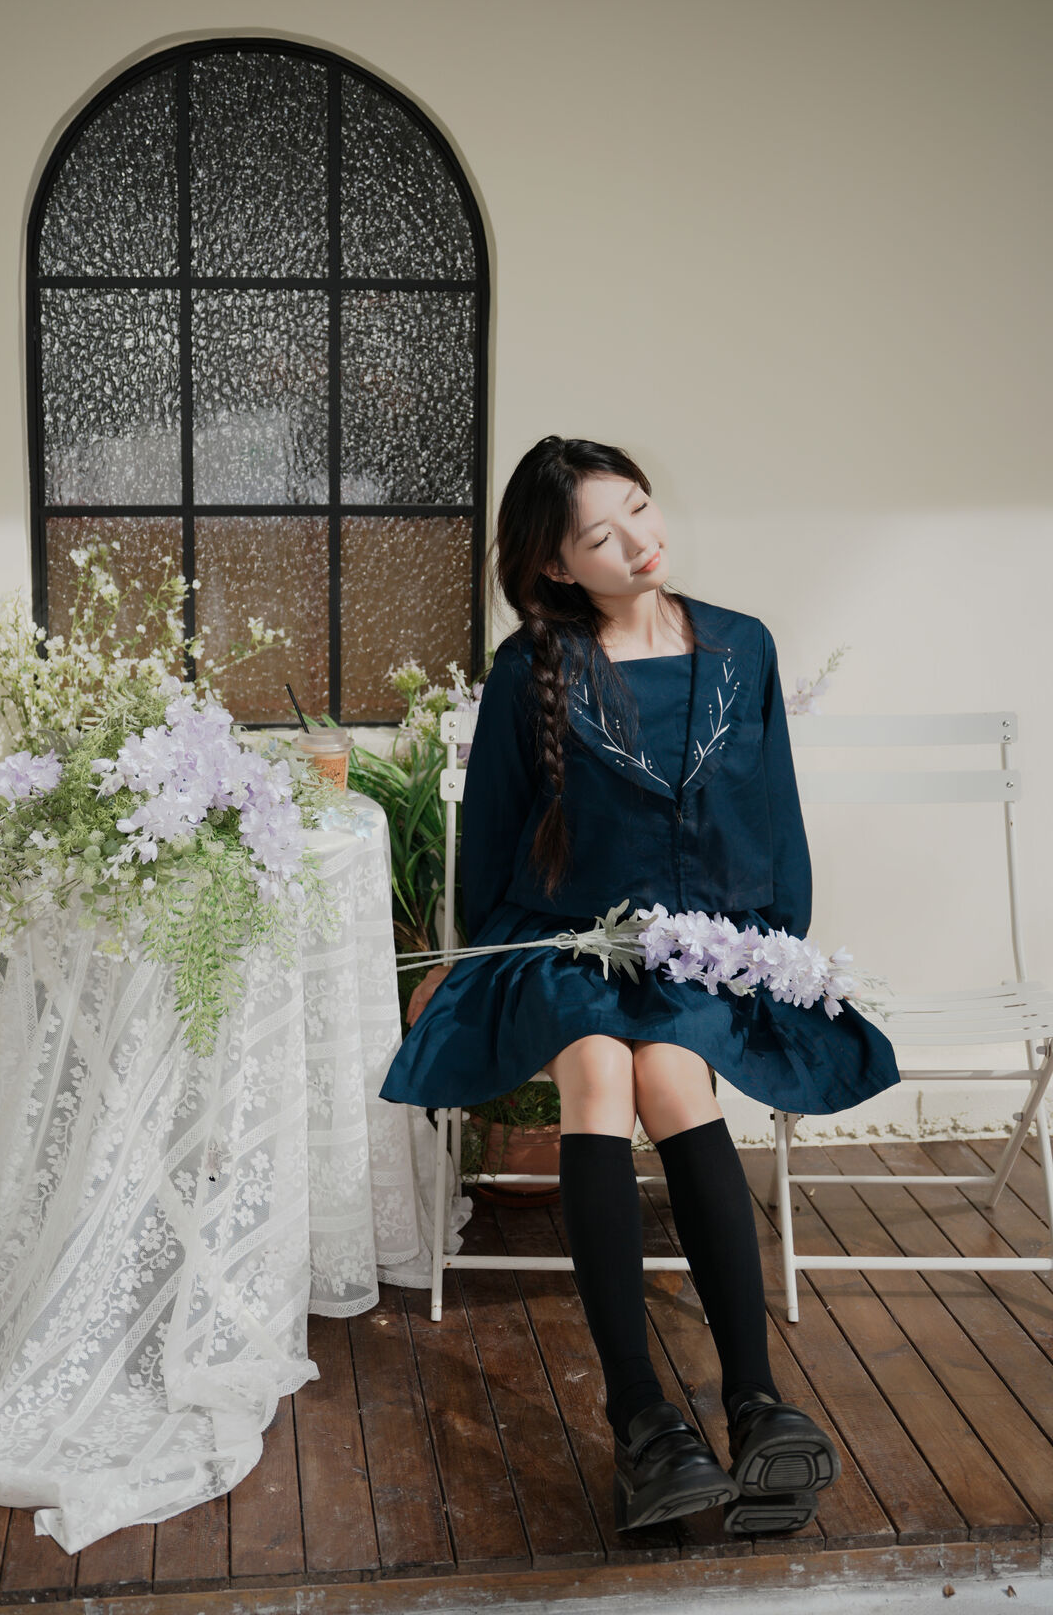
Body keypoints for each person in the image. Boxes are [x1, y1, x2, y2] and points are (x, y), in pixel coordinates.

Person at [378, 435, 901, 1538]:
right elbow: (494, 845)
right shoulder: (531, 667)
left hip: (705, 947)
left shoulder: (743, 646)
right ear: (556, 564)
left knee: (671, 1074)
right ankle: (642, 1419)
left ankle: (755, 1403)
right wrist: (477, 959)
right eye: (602, 535)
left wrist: (773, 953)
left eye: (641, 510)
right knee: (600, 1075)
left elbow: (774, 820)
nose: (638, 543)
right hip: (565, 942)